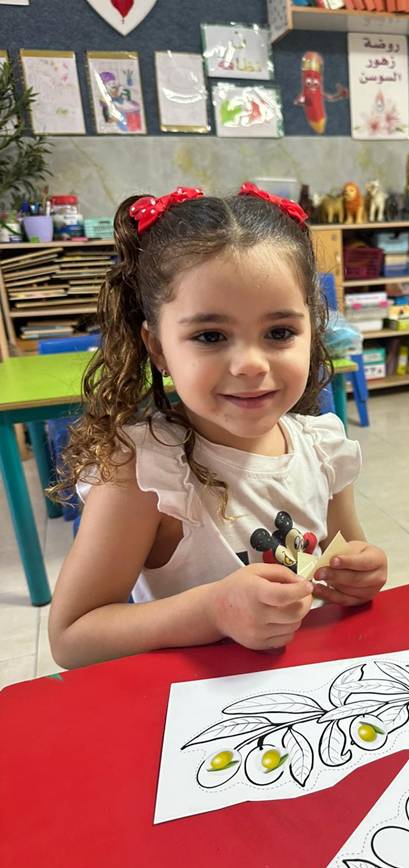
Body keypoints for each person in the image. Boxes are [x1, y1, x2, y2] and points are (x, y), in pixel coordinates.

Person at [49, 184, 387, 668]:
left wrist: (360, 572)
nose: (250, 364)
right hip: (190, 699)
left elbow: (342, 552)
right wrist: (213, 611)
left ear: (311, 331)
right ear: (158, 347)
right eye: (210, 336)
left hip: (308, 684)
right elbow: (72, 637)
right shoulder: (145, 472)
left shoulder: (323, 447)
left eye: (279, 332)